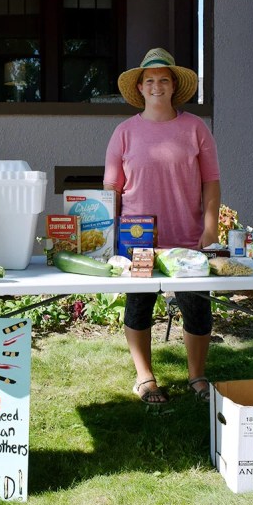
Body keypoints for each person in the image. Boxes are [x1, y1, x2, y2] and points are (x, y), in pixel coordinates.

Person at [103, 47, 221, 406]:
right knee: (138, 307)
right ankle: (145, 378)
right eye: (150, 80)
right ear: (140, 87)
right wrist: (109, 238)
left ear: (174, 87)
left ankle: (197, 376)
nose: (157, 86)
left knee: (197, 309)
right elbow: (112, 190)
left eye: (163, 80)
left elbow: (211, 183)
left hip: (186, 238)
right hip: (137, 240)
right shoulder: (123, 132)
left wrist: (210, 227)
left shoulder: (195, 128)